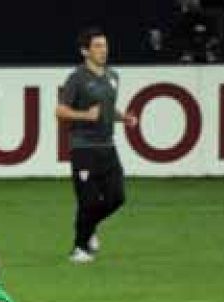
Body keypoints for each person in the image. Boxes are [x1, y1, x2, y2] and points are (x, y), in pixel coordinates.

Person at [56, 27, 140, 264]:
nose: (103, 50)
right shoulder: (77, 78)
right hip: (83, 148)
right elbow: (60, 111)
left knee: (117, 197)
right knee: (88, 201)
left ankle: (89, 227)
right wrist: (85, 115)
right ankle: (79, 248)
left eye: (105, 45)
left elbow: (106, 109)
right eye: (97, 46)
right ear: (85, 51)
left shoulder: (113, 76)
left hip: (107, 147)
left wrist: (123, 118)